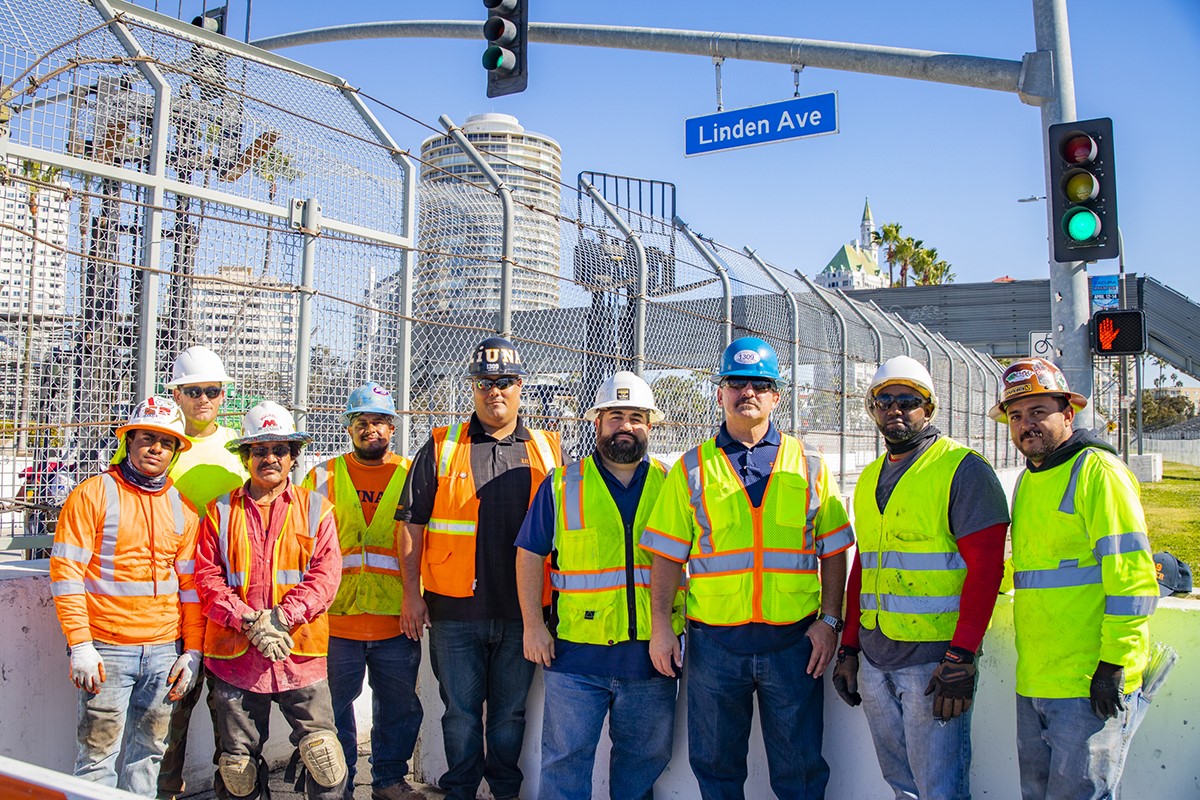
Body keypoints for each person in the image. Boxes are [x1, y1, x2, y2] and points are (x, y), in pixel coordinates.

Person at [641, 337, 854, 800]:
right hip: (715, 646)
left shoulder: (811, 463)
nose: (747, 393)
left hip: (794, 644)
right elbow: (666, 557)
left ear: (776, 395)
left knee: (800, 771)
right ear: (720, 393)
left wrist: (830, 622)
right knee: (716, 770)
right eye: (736, 383)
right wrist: (662, 627)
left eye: (760, 383)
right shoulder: (692, 468)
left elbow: (834, 550)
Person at [831, 356, 1008, 800]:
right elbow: (863, 571)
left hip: (933, 665)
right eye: (884, 400)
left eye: (909, 401)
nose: (896, 409)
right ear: (872, 410)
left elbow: (987, 570)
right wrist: (849, 649)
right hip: (875, 660)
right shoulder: (869, 477)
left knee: (941, 789)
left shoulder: (963, 470)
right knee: (902, 787)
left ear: (929, 410)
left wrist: (961, 656)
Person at [396, 336, 562, 800]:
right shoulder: (442, 445)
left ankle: (506, 790)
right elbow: (411, 525)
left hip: (524, 614)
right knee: (460, 713)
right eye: (485, 382)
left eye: (505, 382)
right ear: (473, 388)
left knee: (510, 714)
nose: (495, 391)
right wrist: (412, 595)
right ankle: (461, 791)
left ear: (520, 386)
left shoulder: (549, 450)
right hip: (453, 613)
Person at [991, 358, 1159, 800]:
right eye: (1016, 416)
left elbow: (1134, 580)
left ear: (1068, 413)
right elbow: (1031, 570)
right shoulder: (1029, 482)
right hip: (1037, 680)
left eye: (1038, 412)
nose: (1026, 425)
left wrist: (1114, 663)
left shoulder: (1097, 472)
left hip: (1089, 684)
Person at [515, 372, 686, 800]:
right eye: (615, 416)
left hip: (651, 656)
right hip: (576, 658)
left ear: (650, 425)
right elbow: (529, 554)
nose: (625, 426)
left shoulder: (673, 483)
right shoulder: (561, 484)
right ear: (597, 423)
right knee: (564, 765)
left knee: (640, 769)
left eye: (635, 417)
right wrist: (533, 625)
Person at [49, 397, 203, 795]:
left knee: (149, 752)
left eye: (166, 442)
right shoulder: (93, 495)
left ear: (175, 451)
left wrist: (193, 651)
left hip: (164, 652)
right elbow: (66, 574)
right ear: (129, 440)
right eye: (148, 438)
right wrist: (80, 644)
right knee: (96, 756)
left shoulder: (182, 509)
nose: (156, 448)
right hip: (108, 650)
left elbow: (190, 589)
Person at [194, 401, 346, 800]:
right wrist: (248, 621)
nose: (270, 458)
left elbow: (325, 576)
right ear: (246, 457)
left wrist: (280, 620)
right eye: (259, 450)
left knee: (324, 758)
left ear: (293, 457)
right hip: (235, 658)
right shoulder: (219, 512)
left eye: (279, 449)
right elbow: (207, 579)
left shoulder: (317, 509)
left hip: (300, 654)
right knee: (236, 767)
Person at [302, 382, 420, 800]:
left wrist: (415, 598)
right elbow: (304, 545)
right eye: (362, 422)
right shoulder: (323, 476)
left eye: (381, 422)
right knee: (333, 712)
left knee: (400, 708)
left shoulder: (412, 475)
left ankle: (388, 780)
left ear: (393, 427)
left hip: (396, 619)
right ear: (349, 428)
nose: (372, 430)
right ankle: (339, 785)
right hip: (336, 620)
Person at [159, 344, 249, 800]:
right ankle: (165, 790)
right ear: (177, 394)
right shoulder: (159, 441)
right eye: (193, 391)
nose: (204, 400)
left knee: (228, 710)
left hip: (225, 596)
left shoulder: (238, 449)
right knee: (169, 712)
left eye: (212, 390)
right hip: (170, 598)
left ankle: (230, 791)